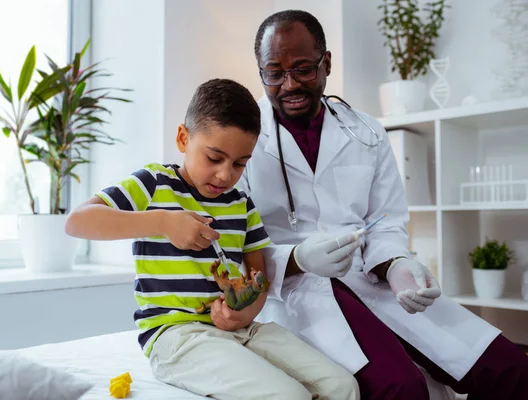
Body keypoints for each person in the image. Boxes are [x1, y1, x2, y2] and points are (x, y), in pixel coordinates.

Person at [238, 9, 528, 400]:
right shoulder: (241, 137)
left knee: (509, 367)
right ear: (260, 72)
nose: (289, 84)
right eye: (274, 73)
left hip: (368, 280)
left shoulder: (366, 130)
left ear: (326, 63)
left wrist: (398, 266)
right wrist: (296, 259)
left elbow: (385, 220)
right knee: (403, 387)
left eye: (303, 69)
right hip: (296, 293)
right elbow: (231, 243)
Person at [65, 78, 359, 400]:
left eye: (239, 164)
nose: (225, 174)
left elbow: (257, 277)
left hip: (241, 329)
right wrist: (163, 222)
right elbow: (77, 222)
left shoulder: (241, 204)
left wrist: (246, 313)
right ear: (183, 138)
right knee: (288, 396)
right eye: (214, 158)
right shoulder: (154, 184)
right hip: (176, 335)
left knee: (342, 387)